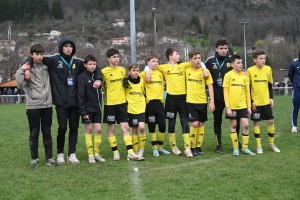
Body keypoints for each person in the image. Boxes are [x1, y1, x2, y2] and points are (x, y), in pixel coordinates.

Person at [24, 36, 102, 164]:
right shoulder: (54, 60)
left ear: (73, 48)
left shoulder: (78, 62)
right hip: (60, 102)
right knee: (62, 128)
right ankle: (60, 153)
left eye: (70, 46)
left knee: (74, 128)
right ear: (61, 48)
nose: (68, 48)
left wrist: (98, 79)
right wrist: (26, 68)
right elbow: (34, 57)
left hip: (75, 103)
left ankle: (71, 154)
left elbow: (95, 66)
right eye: (65, 46)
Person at [144, 48, 208, 156]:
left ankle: (187, 148)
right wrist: (146, 72)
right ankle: (174, 147)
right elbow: (150, 65)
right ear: (170, 56)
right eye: (177, 54)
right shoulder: (164, 67)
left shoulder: (182, 66)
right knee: (172, 123)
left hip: (183, 99)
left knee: (184, 122)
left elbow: (198, 61)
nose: (179, 56)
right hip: (171, 99)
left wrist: (205, 69)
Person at [16, 43, 58, 168]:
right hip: (33, 106)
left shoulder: (47, 66)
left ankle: (49, 158)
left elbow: (56, 57)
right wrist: (23, 69)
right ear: (31, 55)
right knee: (34, 133)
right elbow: (19, 85)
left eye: (41, 54)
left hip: (47, 106)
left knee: (47, 132)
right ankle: (34, 159)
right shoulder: (26, 68)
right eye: (37, 54)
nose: (39, 57)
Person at [102, 48, 144, 161]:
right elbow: (101, 85)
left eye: (117, 57)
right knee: (111, 128)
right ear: (108, 59)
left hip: (122, 104)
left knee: (125, 128)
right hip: (110, 104)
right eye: (114, 57)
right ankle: (115, 152)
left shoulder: (122, 71)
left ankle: (130, 153)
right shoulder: (103, 72)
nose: (117, 59)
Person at [205, 38, 241, 153]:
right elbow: (202, 70)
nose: (224, 50)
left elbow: (240, 72)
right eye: (221, 48)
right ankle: (218, 144)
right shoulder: (210, 61)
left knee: (235, 120)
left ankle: (237, 142)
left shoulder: (232, 60)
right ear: (216, 49)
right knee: (217, 121)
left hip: (231, 98)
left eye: (225, 48)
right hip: (217, 98)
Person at [247, 50, 280, 153]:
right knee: (257, 123)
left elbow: (269, 84)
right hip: (256, 103)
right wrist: (251, 101)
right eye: (260, 58)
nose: (263, 60)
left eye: (264, 58)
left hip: (266, 102)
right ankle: (259, 146)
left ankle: (272, 143)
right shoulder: (250, 70)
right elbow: (248, 87)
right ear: (254, 60)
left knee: (271, 121)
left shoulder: (268, 69)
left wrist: (271, 98)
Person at [223, 54, 256, 156]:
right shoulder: (228, 75)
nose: (241, 64)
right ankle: (236, 147)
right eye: (238, 63)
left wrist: (249, 107)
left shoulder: (245, 76)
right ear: (232, 64)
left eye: (241, 62)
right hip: (232, 106)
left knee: (246, 125)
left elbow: (247, 92)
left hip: (243, 106)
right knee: (233, 125)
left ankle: (245, 148)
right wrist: (228, 107)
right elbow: (225, 92)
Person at [140, 55, 171, 157]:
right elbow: (133, 76)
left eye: (157, 61)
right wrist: (147, 71)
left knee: (162, 125)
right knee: (152, 126)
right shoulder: (144, 74)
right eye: (153, 61)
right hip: (150, 103)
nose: (155, 63)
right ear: (148, 62)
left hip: (160, 103)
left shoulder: (161, 73)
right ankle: (154, 149)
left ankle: (160, 147)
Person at [186, 50, 215, 157]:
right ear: (190, 60)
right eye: (195, 58)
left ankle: (198, 146)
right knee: (194, 124)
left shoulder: (205, 71)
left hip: (202, 101)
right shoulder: (186, 70)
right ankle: (192, 147)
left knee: (201, 124)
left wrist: (212, 101)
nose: (198, 60)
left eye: (199, 58)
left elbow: (210, 86)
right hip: (191, 102)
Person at [77, 55, 106, 163]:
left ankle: (97, 153)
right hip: (87, 110)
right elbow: (80, 95)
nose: (92, 66)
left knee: (98, 129)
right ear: (85, 65)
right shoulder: (82, 77)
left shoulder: (98, 75)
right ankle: (90, 155)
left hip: (97, 108)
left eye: (94, 64)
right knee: (88, 130)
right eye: (90, 64)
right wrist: (83, 112)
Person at [123, 63, 147, 157]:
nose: (136, 72)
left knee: (141, 127)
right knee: (134, 130)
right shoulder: (126, 82)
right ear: (129, 71)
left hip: (141, 108)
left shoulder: (142, 81)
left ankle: (141, 149)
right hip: (131, 109)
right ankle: (136, 151)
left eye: (137, 70)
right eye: (134, 70)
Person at [288, 50, 300, 133]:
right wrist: (296, 83)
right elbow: (290, 75)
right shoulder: (294, 64)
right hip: (297, 90)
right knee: (295, 109)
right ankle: (294, 126)